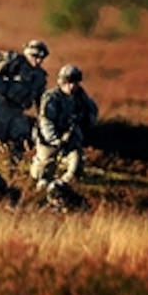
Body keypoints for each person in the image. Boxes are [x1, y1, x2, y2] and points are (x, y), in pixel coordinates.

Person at [30, 64, 98, 196]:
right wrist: (55, 140)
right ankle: (41, 191)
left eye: (74, 83)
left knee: (76, 164)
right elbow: (46, 121)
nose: (71, 87)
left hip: (71, 137)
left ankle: (61, 189)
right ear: (61, 82)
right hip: (48, 140)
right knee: (41, 172)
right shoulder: (51, 98)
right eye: (68, 83)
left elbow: (92, 112)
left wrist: (87, 120)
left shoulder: (81, 98)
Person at [0, 39, 49, 158]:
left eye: (42, 57)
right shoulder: (14, 61)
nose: (38, 60)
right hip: (0, 106)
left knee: (20, 140)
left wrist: (43, 118)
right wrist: (1, 88)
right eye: (34, 56)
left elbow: (41, 101)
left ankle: (15, 167)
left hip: (18, 111)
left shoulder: (39, 76)